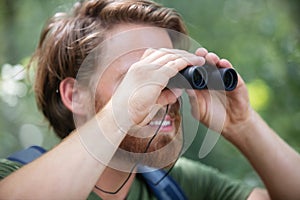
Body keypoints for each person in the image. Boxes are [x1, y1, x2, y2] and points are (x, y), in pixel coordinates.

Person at [0, 0, 300, 199]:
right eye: (140, 76)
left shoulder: (179, 185)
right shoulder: (14, 178)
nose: (164, 95)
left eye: (171, 74)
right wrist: (123, 110)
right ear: (74, 95)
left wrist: (243, 124)